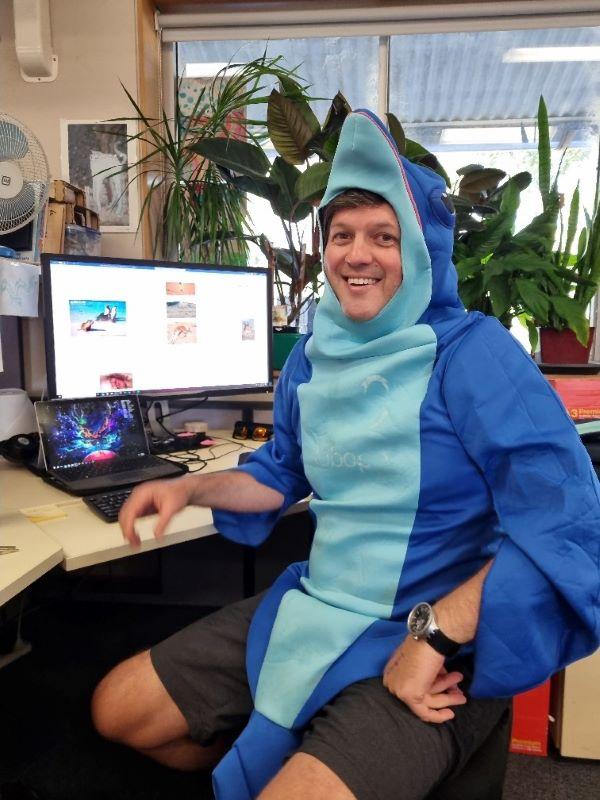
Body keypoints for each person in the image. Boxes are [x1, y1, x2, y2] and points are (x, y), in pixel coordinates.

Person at [91, 110, 600, 800]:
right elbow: (281, 472)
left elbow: (567, 521)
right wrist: (192, 491)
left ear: (420, 252)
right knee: (117, 711)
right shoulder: (313, 353)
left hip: (433, 633)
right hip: (319, 604)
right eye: (342, 235)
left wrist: (435, 636)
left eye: (383, 237)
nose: (357, 255)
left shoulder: (474, 355)